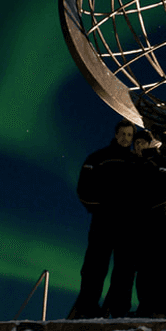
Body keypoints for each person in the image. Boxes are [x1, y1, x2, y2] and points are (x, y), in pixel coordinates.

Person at [67, 119, 138, 319]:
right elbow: (83, 189)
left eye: (130, 135)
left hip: (127, 225)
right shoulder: (98, 158)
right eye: (123, 134)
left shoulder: (136, 161)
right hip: (103, 222)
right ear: (116, 135)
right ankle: (87, 309)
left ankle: (119, 310)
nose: (126, 138)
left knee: (125, 269)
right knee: (94, 267)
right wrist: (101, 208)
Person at [132, 132, 166, 317]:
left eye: (141, 142)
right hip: (143, 223)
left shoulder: (163, 163)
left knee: (163, 264)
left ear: (150, 143)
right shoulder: (136, 165)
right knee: (143, 267)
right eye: (136, 143)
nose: (138, 146)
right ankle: (146, 307)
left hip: (161, 221)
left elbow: (163, 192)